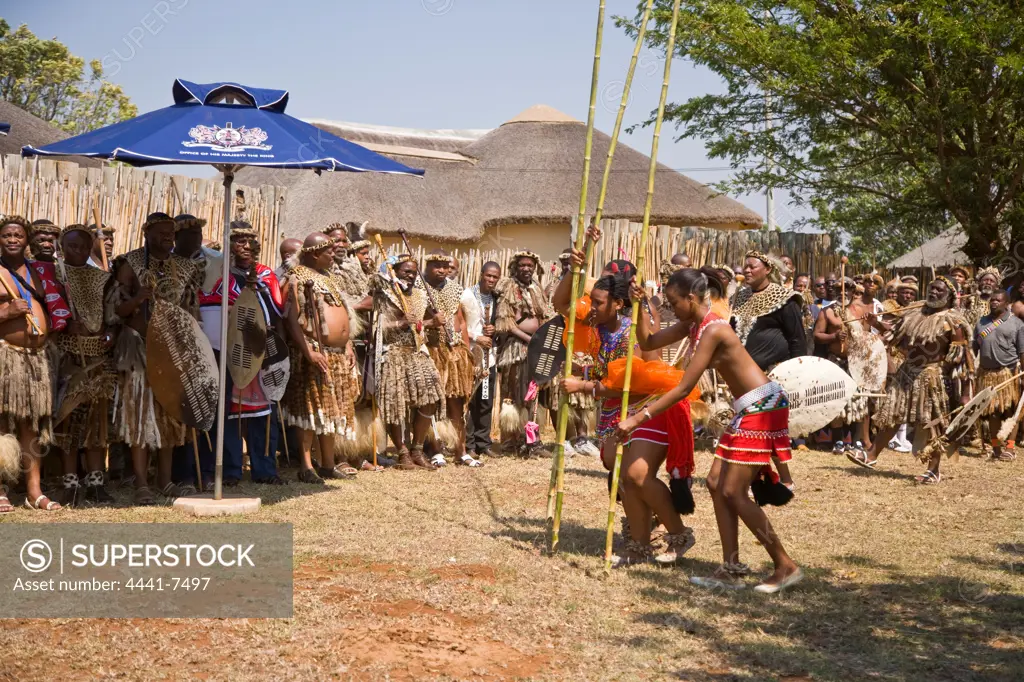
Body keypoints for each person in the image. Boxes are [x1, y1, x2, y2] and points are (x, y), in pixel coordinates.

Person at [617, 268, 802, 592]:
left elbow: (683, 387)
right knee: (716, 484)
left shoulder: (713, 328)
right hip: (750, 407)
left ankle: (785, 565)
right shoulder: (693, 324)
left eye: (674, 302)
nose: (672, 308)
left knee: (732, 491)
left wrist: (637, 419)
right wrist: (641, 306)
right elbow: (647, 341)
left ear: (691, 298)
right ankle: (730, 568)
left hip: (763, 406)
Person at [561, 270, 696, 566]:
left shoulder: (634, 329)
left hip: (647, 409)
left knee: (637, 475)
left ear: (618, 304)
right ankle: (639, 546)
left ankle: (678, 533)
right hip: (613, 413)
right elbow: (563, 306)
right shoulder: (596, 329)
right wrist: (583, 373)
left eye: (597, 302)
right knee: (623, 479)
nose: (591, 308)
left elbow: (642, 377)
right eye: (591, 302)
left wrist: (583, 386)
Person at [112, 212, 204, 504]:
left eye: (170, 233)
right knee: (139, 415)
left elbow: (192, 311)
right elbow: (116, 310)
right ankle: (141, 481)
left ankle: (164, 480)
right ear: (146, 233)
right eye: (161, 233)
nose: (167, 237)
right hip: (138, 349)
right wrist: (139, 298)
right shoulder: (131, 263)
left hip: (173, 351)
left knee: (170, 416)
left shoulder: (186, 267)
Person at [851, 277, 973, 483]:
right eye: (932, 288)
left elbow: (962, 361)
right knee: (892, 415)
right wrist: (876, 324)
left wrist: (965, 393)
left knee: (931, 424)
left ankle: (933, 469)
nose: (933, 292)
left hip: (932, 377)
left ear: (950, 295)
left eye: (939, 290)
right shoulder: (915, 312)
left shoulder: (954, 322)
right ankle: (871, 456)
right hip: (906, 372)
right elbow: (896, 335)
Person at [198, 221, 287, 486]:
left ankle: (265, 469)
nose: (246, 246)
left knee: (262, 414)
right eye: (239, 240)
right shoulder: (216, 274)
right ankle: (230, 471)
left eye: (250, 241)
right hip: (225, 351)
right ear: (228, 244)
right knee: (227, 414)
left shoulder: (265, 275)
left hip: (260, 352)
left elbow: (276, 312)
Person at [280, 232, 361, 483]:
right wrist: (308, 351)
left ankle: (328, 464)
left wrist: (347, 345)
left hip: (336, 355)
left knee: (331, 411)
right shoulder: (296, 278)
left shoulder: (328, 278)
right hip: (314, 352)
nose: (334, 255)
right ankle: (306, 466)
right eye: (329, 252)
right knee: (308, 412)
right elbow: (291, 319)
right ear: (315, 253)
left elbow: (343, 314)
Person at [51, 224, 117, 506]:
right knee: (67, 423)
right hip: (68, 358)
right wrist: (65, 326)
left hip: (98, 358)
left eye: (82, 247)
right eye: (72, 247)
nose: (77, 251)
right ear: (62, 248)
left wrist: (110, 335)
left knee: (97, 425)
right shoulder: (53, 275)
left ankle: (96, 482)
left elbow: (114, 318)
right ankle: (70, 482)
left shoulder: (102, 278)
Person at [0, 216, 62, 511]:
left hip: (37, 358)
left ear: (27, 240)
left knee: (32, 425)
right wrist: (7, 312)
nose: (13, 239)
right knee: (2, 422)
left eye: (18, 235)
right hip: (5, 356)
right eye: (7, 235)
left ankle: (33, 491)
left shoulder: (40, 272)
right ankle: (0, 488)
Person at [730, 250, 805, 488]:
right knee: (756, 429)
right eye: (745, 267)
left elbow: (797, 339)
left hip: (773, 375)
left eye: (753, 266)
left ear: (768, 270)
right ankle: (767, 478)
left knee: (766, 427)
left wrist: (797, 372)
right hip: (743, 374)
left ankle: (783, 479)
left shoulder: (785, 298)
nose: (747, 270)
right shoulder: (739, 297)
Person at [371, 253, 445, 470]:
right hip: (393, 354)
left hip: (417, 353)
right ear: (394, 272)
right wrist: (398, 323)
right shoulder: (384, 295)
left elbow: (419, 324)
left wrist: (433, 322)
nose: (411, 276)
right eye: (406, 272)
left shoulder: (422, 296)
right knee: (395, 405)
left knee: (430, 399)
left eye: (414, 272)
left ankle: (417, 449)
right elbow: (376, 328)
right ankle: (402, 452)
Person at [418, 251, 481, 467]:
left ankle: (460, 451)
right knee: (432, 404)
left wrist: (465, 350)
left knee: (457, 403)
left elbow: (460, 320)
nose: (443, 270)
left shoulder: (455, 289)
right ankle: (435, 450)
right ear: (427, 266)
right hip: (431, 351)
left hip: (454, 352)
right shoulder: (418, 288)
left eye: (446, 266)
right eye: (437, 266)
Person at [495, 250, 555, 457]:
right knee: (515, 395)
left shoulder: (536, 288)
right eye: (523, 265)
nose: (526, 269)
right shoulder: (508, 287)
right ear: (515, 267)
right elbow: (506, 323)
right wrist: (531, 340)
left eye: (530, 265)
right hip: (517, 350)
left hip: (535, 350)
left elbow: (544, 315)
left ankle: (532, 441)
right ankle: (512, 442)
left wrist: (543, 341)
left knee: (532, 396)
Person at [973, 290, 1024, 461]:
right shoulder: (981, 322)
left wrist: (1022, 374)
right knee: (993, 412)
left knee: (1011, 411)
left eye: (998, 300)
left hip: (1008, 373)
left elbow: (1022, 351)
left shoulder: (1016, 323)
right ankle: (995, 447)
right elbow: (974, 348)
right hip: (986, 374)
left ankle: (1009, 447)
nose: (994, 302)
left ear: (1007, 303)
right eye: (992, 300)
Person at [462, 262, 501, 459]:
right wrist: (476, 337)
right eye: (489, 276)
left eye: (495, 277)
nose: (491, 280)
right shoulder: (467, 295)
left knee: (486, 400)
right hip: (470, 354)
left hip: (489, 357)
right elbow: (458, 326)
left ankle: (483, 443)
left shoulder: (497, 298)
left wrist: (494, 329)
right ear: (481, 274)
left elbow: (501, 324)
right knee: (470, 400)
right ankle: (468, 444)